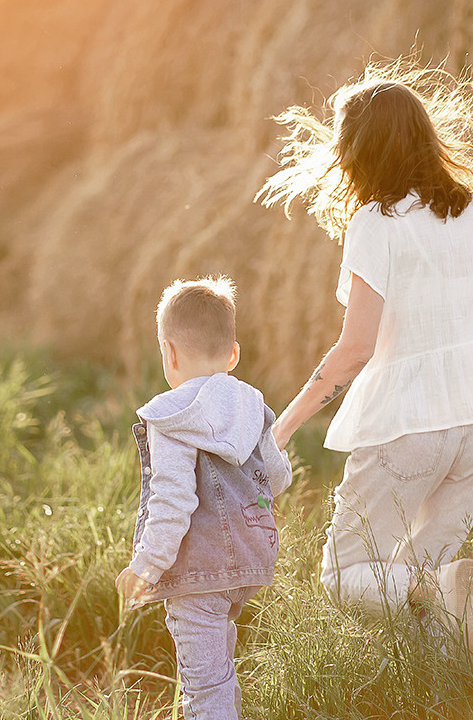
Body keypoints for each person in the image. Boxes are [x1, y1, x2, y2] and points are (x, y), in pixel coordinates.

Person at [256, 60, 473, 672]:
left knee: (345, 576)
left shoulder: (375, 224)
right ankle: (453, 695)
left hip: (407, 429)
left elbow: (356, 347)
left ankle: (433, 598)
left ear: (358, 152)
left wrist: (282, 426)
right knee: (428, 588)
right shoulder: (471, 211)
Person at [115, 276, 292, 720]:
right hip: (251, 560)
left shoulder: (171, 415)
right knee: (218, 671)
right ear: (233, 354)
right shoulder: (253, 406)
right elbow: (278, 477)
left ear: (169, 353)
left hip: (198, 571)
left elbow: (173, 503)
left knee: (204, 690)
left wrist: (145, 567)